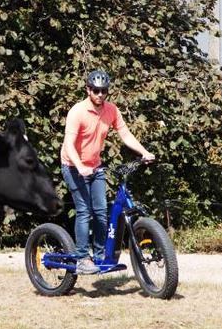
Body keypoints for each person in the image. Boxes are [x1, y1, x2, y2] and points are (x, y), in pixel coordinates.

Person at [60, 70, 155, 275]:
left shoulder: (111, 110)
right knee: (85, 211)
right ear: (88, 89)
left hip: (95, 166)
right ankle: (82, 258)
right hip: (72, 166)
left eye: (104, 91)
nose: (100, 95)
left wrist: (144, 152)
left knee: (101, 212)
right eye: (96, 90)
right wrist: (80, 166)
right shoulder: (77, 112)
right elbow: (69, 144)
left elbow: (125, 134)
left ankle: (100, 255)